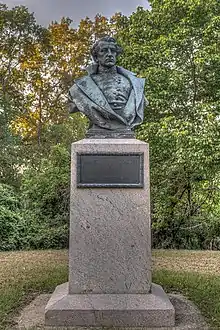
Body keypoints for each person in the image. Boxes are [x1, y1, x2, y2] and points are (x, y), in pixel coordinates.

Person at [68, 36, 147, 138]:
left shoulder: (134, 84)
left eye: (113, 51)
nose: (109, 54)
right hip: (97, 128)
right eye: (104, 51)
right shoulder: (80, 88)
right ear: (96, 57)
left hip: (125, 126)